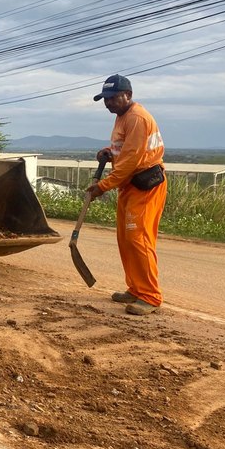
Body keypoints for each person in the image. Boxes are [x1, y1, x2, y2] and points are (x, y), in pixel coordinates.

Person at [87, 74, 167, 316]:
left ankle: (150, 296)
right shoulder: (122, 117)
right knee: (126, 238)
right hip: (129, 185)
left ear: (128, 95)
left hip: (145, 185)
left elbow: (132, 160)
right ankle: (135, 288)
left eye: (112, 98)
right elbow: (124, 150)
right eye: (105, 99)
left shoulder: (137, 118)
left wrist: (103, 186)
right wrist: (109, 152)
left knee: (138, 239)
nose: (108, 103)